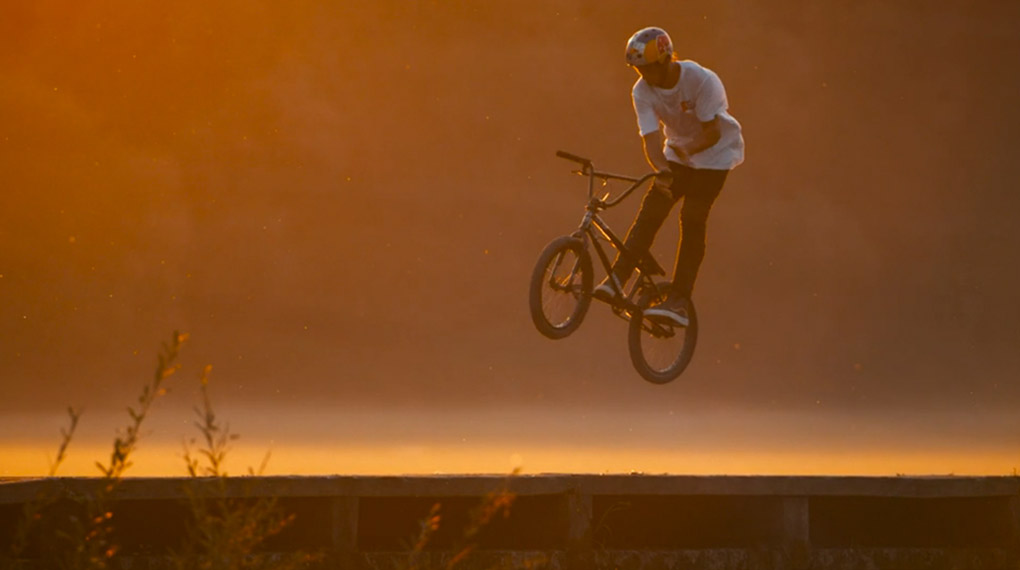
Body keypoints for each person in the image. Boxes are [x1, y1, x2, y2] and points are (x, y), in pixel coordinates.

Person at [593, 26, 744, 325]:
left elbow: (712, 132)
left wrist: (689, 152)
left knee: (692, 218)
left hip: (715, 157)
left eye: (646, 69)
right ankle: (616, 280)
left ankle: (679, 302)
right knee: (652, 210)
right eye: (637, 69)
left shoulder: (701, 80)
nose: (642, 76)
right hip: (678, 154)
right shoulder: (641, 91)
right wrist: (661, 169)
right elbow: (650, 140)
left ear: (664, 61)